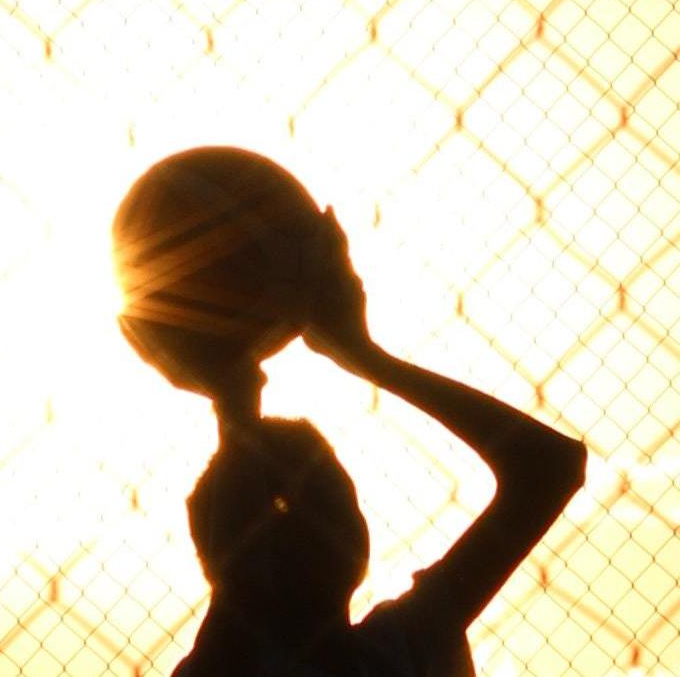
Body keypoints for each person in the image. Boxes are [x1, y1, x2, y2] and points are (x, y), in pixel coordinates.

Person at [168, 210, 586, 677]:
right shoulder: (407, 650)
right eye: (317, 502)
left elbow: (554, 466)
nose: (325, 525)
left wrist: (240, 402)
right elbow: (548, 468)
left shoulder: (406, 643)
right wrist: (364, 358)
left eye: (336, 497)